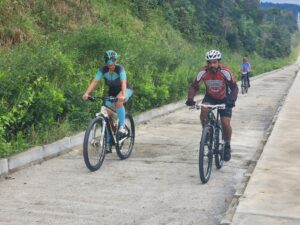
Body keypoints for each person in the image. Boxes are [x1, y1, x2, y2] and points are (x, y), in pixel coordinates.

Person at [185, 50, 238, 161]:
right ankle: (207, 132)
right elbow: (194, 86)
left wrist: (231, 100)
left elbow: (234, 87)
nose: (211, 65)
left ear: (219, 62)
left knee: (225, 122)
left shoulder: (225, 72)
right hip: (210, 97)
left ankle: (227, 144)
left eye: (214, 62)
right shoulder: (203, 72)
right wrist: (190, 98)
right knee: (203, 110)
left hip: (225, 98)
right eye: (209, 63)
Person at [82, 50, 133, 153]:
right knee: (106, 113)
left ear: (115, 61)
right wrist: (86, 93)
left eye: (112, 62)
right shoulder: (103, 70)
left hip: (126, 89)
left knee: (119, 103)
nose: (110, 64)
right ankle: (108, 143)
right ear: (105, 61)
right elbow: (95, 81)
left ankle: (122, 127)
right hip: (112, 93)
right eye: (108, 62)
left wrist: (123, 95)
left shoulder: (120, 69)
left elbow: (123, 82)